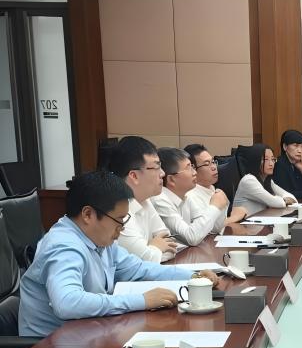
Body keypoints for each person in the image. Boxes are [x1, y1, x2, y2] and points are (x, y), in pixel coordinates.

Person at [18, 171, 219, 337]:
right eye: (119, 219)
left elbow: (139, 269)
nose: (121, 228)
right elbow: (67, 303)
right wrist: (143, 300)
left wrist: (193, 276)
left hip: (87, 333)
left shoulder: (99, 239)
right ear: (88, 214)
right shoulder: (63, 246)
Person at [108, 136, 177, 263]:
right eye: (156, 167)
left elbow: (171, 245)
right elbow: (144, 261)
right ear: (134, 176)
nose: (162, 173)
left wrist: (152, 249)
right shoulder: (117, 212)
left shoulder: (144, 200)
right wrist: (154, 250)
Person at [150, 147, 227, 246]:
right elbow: (191, 237)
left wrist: (220, 207)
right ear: (172, 180)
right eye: (188, 168)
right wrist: (214, 207)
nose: (195, 172)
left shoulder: (186, 196)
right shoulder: (160, 200)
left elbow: (214, 229)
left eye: (193, 167)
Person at [183, 143, 248, 227]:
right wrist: (235, 217)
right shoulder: (190, 196)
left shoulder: (212, 188)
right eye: (207, 164)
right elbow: (207, 228)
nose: (214, 167)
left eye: (213, 162)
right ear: (193, 169)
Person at [233, 144, 297, 217]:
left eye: (273, 159)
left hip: (259, 222)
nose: (271, 164)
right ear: (256, 161)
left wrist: (285, 200)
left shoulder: (268, 181)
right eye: (266, 159)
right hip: (242, 223)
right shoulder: (249, 180)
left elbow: (292, 198)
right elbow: (275, 202)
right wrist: (285, 200)